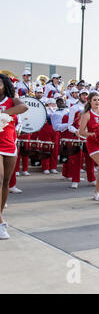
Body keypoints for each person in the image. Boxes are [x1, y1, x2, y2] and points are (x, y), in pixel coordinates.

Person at [0, 74, 28, 239]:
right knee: (0, 177)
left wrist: (3, 113)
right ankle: (1, 221)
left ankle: (0, 213)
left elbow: (23, 107)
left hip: (9, 144)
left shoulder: (12, 100)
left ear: (5, 85)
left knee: (5, 182)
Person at [79, 92, 99, 205]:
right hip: (93, 144)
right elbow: (81, 132)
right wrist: (94, 134)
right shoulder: (86, 115)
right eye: (95, 100)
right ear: (89, 101)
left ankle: (96, 192)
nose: (97, 102)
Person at [67, 89, 96, 189]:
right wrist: (76, 131)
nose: (85, 96)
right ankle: (75, 180)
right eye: (83, 95)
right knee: (77, 160)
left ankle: (92, 179)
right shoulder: (74, 108)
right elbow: (69, 125)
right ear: (79, 96)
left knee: (91, 159)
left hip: (89, 137)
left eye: (86, 95)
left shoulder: (92, 108)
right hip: (78, 137)